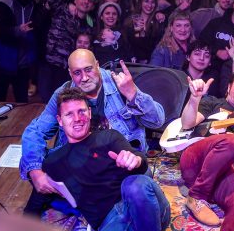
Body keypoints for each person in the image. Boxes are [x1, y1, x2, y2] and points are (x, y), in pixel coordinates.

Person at [21, 49, 165, 215]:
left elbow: (157, 120)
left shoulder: (119, 84)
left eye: (88, 69)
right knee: (42, 171)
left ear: (97, 65)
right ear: (70, 73)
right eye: (77, 73)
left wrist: (133, 95)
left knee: (138, 186)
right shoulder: (64, 92)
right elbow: (35, 131)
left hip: (119, 164)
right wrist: (35, 171)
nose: (84, 78)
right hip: (82, 165)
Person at [42, 87, 170, 231]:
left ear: (89, 113)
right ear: (60, 120)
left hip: (145, 208)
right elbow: (38, 201)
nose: (77, 118)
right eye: (69, 114)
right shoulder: (53, 162)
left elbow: (139, 160)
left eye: (81, 111)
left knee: (135, 184)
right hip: (110, 222)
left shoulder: (108, 136)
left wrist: (136, 160)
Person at [179, 69, 234, 230]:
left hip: (223, 171)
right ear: (229, 87)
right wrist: (194, 98)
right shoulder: (213, 102)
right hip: (196, 160)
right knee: (233, 142)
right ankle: (197, 196)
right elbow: (186, 124)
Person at [0, 0, 44, 103]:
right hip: (1, 60)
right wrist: (18, 30)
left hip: (22, 63)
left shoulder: (33, 5)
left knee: (22, 101)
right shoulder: (4, 3)